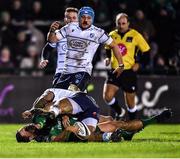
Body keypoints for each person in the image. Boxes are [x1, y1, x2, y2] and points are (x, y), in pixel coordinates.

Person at [47, 6, 124, 91]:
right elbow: (52, 40)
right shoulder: (69, 27)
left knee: (72, 91)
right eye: (83, 17)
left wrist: (121, 65)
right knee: (52, 96)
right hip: (66, 72)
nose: (85, 20)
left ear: (93, 19)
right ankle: (85, 100)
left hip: (83, 71)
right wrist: (52, 31)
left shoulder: (98, 32)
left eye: (89, 18)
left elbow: (114, 46)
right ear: (79, 18)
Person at [16, 106, 172, 142]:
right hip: (80, 130)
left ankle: (126, 134)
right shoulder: (42, 139)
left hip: (80, 117)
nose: (28, 128)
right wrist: (68, 129)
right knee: (116, 124)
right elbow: (58, 140)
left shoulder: (37, 119)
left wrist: (64, 114)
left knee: (111, 119)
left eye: (24, 127)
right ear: (30, 138)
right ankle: (155, 118)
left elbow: (51, 108)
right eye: (26, 132)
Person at [103, 13, 150, 120]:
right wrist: (108, 58)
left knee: (130, 103)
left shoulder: (135, 35)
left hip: (129, 72)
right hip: (115, 70)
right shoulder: (112, 35)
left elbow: (146, 51)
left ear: (128, 23)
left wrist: (139, 63)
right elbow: (107, 48)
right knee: (107, 96)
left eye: (123, 23)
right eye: (118, 23)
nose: (121, 25)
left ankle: (132, 126)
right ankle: (120, 112)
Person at [39, 7, 79, 85]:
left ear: (78, 20)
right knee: (56, 96)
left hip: (77, 74)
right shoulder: (58, 34)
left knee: (75, 97)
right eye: (69, 18)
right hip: (61, 73)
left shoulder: (84, 35)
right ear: (65, 19)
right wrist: (44, 59)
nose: (71, 20)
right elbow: (48, 47)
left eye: (74, 18)